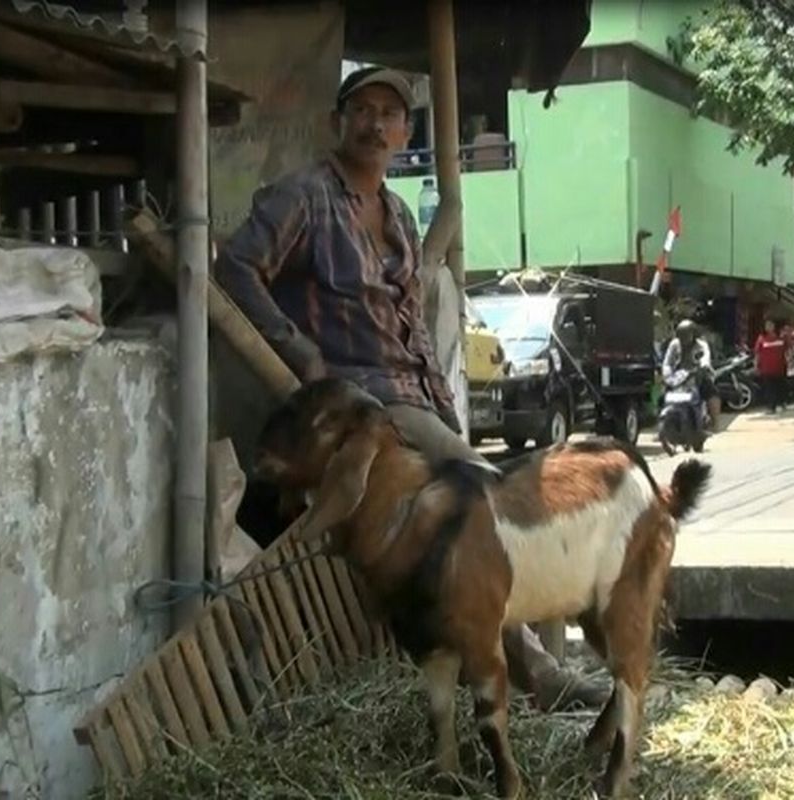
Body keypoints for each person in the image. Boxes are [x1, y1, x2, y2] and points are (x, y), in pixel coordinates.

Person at [213, 65, 602, 711]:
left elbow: (410, 325)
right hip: (359, 401)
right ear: (338, 122)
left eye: (387, 114)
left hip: (410, 397)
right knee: (490, 498)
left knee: (531, 495)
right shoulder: (304, 196)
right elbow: (235, 268)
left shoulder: (395, 211)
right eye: (361, 109)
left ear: (405, 132)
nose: (374, 123)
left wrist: (444, 407)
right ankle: (539, 670)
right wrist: (299, 352)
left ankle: (541, 664)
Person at [661, 319, 720, 431]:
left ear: (694, 334)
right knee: (662, 395)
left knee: (711, 392)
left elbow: (705, 359)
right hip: (678, 377)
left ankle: (714, 422)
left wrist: (703, 366)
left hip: (698, 375)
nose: (684, 338)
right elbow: (668, 362)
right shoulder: (674, 344)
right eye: (682, 335)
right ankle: (664, 422)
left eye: (687, 335)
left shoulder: (701, 345)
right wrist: (667, 373)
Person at [754, 318, 787, 413]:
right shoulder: (761, 338)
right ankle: (771, 407)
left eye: (770, 325)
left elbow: (788, 350)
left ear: (775, 326)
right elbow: (757, 353)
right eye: (767, 325)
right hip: (766, 368)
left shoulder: (781, 337)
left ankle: (782, 403)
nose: (768, 327)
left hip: (780, 367)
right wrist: (756, 365)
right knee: (769, 388)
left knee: (780, 386)